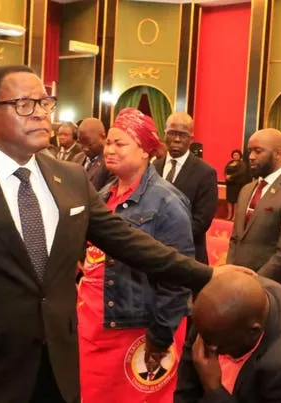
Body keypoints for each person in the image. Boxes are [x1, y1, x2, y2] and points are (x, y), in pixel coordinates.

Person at [0, 65, 248, 403]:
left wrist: (207, 273)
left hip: (58, 370)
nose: (40, 114)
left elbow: (128, 242)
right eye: (24, 105)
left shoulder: (70, 178)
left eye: (45, 103)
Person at [78, 108, 192, 403]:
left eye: (120, 143)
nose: (110, 150)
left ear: (145, 151)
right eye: (108, 143)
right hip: (94, 325)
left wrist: (160, 336)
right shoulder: (103, 194)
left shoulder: (167, 202)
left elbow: (178, 277)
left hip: (137, 330)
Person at [174, 272, 281, 403]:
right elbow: (187, 383)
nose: (210, 351)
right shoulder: (216, 307)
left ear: (253, 331)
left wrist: (214, 390)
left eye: (219, 346)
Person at [227, 129, 281, 294]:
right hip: (238, 286)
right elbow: (235, 238)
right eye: (250, 151)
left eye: (258, 151)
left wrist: (255, 282)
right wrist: (231, 273)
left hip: (273, 289)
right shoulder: (246, 190)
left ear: (279, 154)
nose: (251, 156)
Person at [154, 112, 218, 264]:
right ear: (164, 134)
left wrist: (167, 241)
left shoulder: (205, 172)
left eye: (182, 135)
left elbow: (202, 221)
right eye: (172, 133)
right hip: (153, 254)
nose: (176, 139)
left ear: (191, 139)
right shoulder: (153, 167)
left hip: (189, 256)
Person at [72, 117, 113, 191]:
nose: (85, 149)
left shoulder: (110, 162)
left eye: (90, 144)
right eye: (81, 143)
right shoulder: (77, 158)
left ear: (103, 137)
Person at [223, 149, 249, 221]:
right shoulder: (229, 163)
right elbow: (225, 170)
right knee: (229, 200)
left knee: (235, 201)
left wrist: (231, 176)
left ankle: (234, 216)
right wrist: (226, 176)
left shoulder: (242, 164)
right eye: (234, 155)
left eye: (237, 155)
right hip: (230, 184)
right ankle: (229, 215)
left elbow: (241, 172)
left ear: (240, 156)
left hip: (237, 184)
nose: (235, 156)